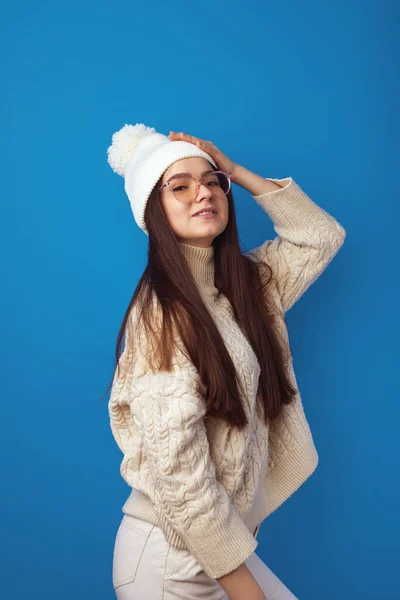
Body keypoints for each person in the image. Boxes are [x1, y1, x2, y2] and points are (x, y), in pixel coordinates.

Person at [104, 123, 346, 599]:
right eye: (181, 186)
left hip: (219, 546)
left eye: (213, 181)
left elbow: (321, 236)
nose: (204, 192)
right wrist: (244, 589)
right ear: (153, 212)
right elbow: (179, 475)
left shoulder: (248, 286)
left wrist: (236, 170)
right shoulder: (162, 316)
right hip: (170, 559)